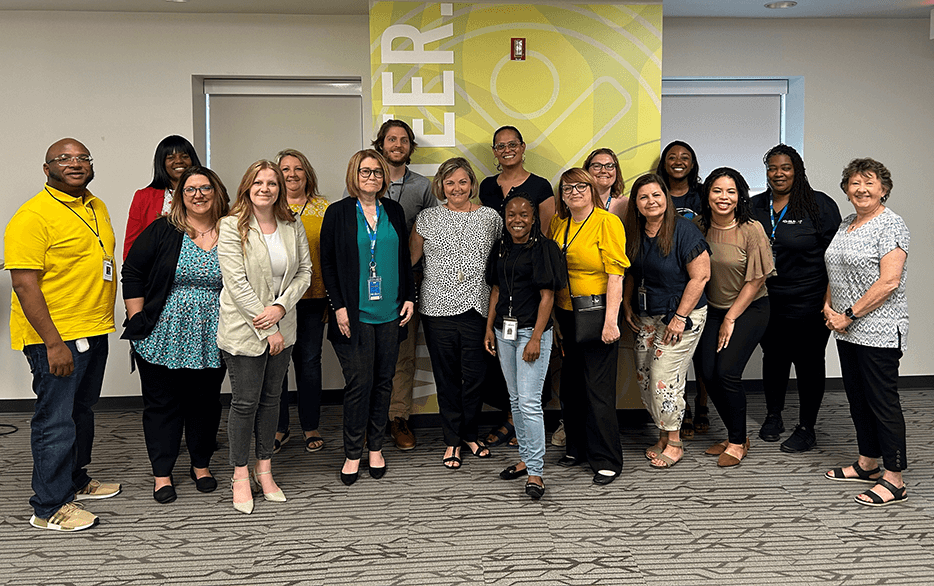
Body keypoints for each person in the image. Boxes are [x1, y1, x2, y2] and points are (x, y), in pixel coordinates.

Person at [6, 138, 120, 531]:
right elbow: (24, 284)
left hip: (94, 327)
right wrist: (53, 343)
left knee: (80, 412)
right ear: (47, 168)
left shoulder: (96, 205)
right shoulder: (32, 216)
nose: (75, 163)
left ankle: (75, 480)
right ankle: (49, 507)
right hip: (56, 337)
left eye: (82, 157)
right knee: (55, 420)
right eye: (64, 159)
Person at [122, 166, 230, 503]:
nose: (198, 195)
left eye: (205, 188)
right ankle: (162, 473)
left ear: (217, 193)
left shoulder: (232, 231)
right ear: (180, 196)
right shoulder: (163, 230)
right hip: (162, 332)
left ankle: (200, 465)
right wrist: (136, 317)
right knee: (162, 404)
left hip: (212, 334)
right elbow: (133, 271)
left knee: (205, 402)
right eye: (190, 189)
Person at [218, 160, 311, 514]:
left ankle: (264, 469)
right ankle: (240, 474)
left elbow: (304, 271)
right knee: (245, 403)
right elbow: (237, 284)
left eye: (272, 182)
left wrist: (281, 309)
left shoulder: (292, 224)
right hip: (245, 332)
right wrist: (268, 325)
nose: (266, 188)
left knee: (272, 401)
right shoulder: (231, 226)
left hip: (283, 327)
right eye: (258, 181)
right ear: (247, 186)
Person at [320, 149, 415, 485]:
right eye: (365, 171)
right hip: (354, 314)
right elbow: (327, 264)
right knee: (360, 384)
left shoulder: (394, 210)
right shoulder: (338, 213)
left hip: (390, 313)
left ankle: (375, 447)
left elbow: (404, 258)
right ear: (354, 175)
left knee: (384, 381)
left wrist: (409, 296)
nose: (372, 176)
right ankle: (351, 453)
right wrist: (339, 308)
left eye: (377, 171)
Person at [823, 158, 910, 507]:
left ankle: (895, 478)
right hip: (846, 328)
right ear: (846, 189)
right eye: (854, 183)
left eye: (869, 183)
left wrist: (848, 314)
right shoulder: (847, 224)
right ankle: (868, 463)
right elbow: (835, 268)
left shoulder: (891, 224)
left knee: (882, 402)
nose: (861, 189)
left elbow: (889, 281)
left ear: (884, 189)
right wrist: (829, 307)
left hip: (879, 329)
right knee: (858, 398)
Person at [411, 157, 502, 469]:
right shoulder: (426, 218)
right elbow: (411, 261)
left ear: (472, 184)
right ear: (441, 185)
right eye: (450, 182)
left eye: (463, 182)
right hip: (437, 308)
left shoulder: (491, 218)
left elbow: (501, 263)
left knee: (475, 378)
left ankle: (470, 435)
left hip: (478, 308)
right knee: (447, 377)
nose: (457, 188)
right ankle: (452, 441)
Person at [750, 145, 841, 451]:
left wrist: (829, 303)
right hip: (766, 301)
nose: (779, 173)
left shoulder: (819, 205)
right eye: (773, 168)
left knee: (808, 363)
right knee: (773, 359)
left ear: (797, 170)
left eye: (785, 167)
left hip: (809, 302)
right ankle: (773, 416)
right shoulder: (755, 206)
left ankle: (806, 427)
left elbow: (836, 259)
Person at [622, 174, 710, 469]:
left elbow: (701, 276)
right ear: (635, 203)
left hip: (681, 314)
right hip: (648, 313)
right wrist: (626, 304)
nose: (651, 202)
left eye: (656, 195)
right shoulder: (635, 231)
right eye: (643, 197)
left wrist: (680, 318)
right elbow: (631, 272)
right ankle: (662, 434)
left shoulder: (685, 231)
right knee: (645, 374)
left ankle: (674, 441)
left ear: (667, 199)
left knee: (663, 377)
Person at [549, 168, 629, 485]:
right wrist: (555, 319)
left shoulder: (607, 221)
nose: (575, 192)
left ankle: (607, 458)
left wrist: (611, 321)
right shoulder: (560, 222)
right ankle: (576, 449)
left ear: (593, 188)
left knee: (598, 391)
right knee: (571, 388)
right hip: (566, 314)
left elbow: (616, 274)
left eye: (581, 186)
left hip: (598, 314)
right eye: (567, 187)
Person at [484, 192, 566, 499]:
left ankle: (536, 473)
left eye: (523, 215)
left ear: (533, 219)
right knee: (515, 399)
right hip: (503, 331)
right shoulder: (502, 247)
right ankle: (526, 459)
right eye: (511, 215)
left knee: (530, 401)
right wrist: (489, 328)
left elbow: (548, 296)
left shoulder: (545, 249)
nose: (517, 220)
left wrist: (535, 337)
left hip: (532, 332)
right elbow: (496, 289)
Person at [478, 125, 556, 447]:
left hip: (531, 286)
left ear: (523, 148)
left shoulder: (540, 186)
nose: (507, 149)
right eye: (500, 145)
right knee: (506, 374)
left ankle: (526, 434)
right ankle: (513, 424)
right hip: (500, 279)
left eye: (513, 144)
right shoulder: (486, 187)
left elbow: (546, 234)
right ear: (494, 152)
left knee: (530, 380)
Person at [695, 168, 775, 467]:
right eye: (717, 190)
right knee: (707, 371)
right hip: (712, 309)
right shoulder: (698, 226)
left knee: (727, 372)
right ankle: (734, 434)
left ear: (740, 195)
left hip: (750, 308)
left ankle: (739, 441)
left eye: (731, 191)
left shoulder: (751, 229)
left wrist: (730, 318)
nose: (723, 197)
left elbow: (755, 281)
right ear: (708, 195)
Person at [372, 120, 437, 451]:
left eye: (403, 140)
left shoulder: (423, 187)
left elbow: (433, 233)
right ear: (381, 144)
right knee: (369, 351)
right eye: (390, 139)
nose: (396, 144)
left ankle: (398, 417)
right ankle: (370, 417)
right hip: (369, 283)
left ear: (411, 147)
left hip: (409, 280)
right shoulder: (363, 181)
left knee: (403, 352)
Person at [273, 149, 329, 455]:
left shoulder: (324, 208)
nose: (292, 174)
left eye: (298, 169)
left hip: (313, 299)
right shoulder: (267, 207)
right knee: (278, 365)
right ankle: (279, 427)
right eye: (285, 169)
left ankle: (310, 425)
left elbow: (331, 256)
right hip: (277, 301)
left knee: (308, 365)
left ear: (307, 173)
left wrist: (331, 301)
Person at [655, 140, 706, 438]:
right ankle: (682, 408)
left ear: (692, 163)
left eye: (685, 157)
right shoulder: (656, 195)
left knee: (701, 354)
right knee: (677, 355)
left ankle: (702, 405)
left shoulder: (701, 195)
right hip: (667, 280)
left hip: (699, 273)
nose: (678, 161)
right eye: (672, 157)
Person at [124, 135, 201, 259]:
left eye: (185, 156)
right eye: (170, 157)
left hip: (197, 268)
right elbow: (132, 243)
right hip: (155, 271)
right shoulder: (143, 196)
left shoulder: (207, 194)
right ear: (162, 163)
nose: (179, 161)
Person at [584, 148, 628, 221]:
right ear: (587, 171)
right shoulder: (577, 201)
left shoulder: (625, 204)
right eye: (597, 166)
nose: (603, 171)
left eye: (609, 166)